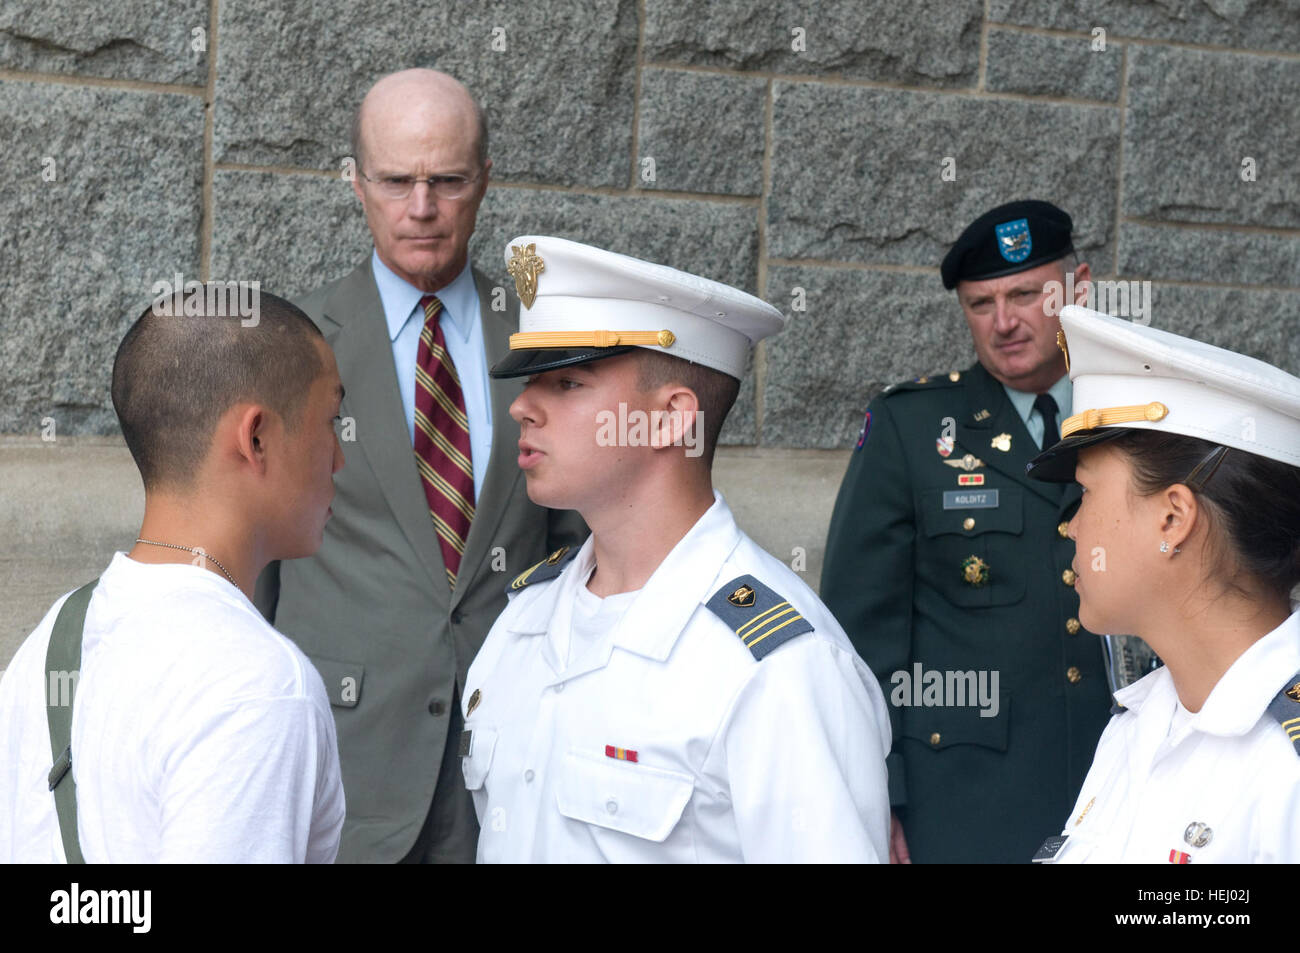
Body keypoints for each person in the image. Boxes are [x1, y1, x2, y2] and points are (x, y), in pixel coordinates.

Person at [460, 235, 891, 863]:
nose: (523, 406)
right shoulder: (524, 620)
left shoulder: (780, 668)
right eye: (531, 383)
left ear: (670, 418)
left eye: (568, 382)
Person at [254, 69, 585, 864]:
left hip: (515, 766)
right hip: (348, 768)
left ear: (485, 181)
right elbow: (253, 565)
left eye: (448, 180)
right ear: (357, 182)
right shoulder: (293, 346)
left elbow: (583, 539)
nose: (423, 207)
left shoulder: (546, 339)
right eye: (397, 181)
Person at [0, 288, 345, 863]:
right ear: (255, 437)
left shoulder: (55, 635)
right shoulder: (261, 686)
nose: (340, 457)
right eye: (332, 421)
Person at [821, 199, 1112, 863]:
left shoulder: (1135, 417)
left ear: (1079, 288)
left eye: (1025, 294)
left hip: (1117, 784)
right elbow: (861, 638)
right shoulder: (911, 427)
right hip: (964, 801)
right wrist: (879, 795)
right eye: (982, 304)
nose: (1004, 322)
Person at [1026, 305, 1300, 863]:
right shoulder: (1141, 724)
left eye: (1088, 494)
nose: (1070, 524)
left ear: (1172, 518)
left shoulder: (1286, 764)